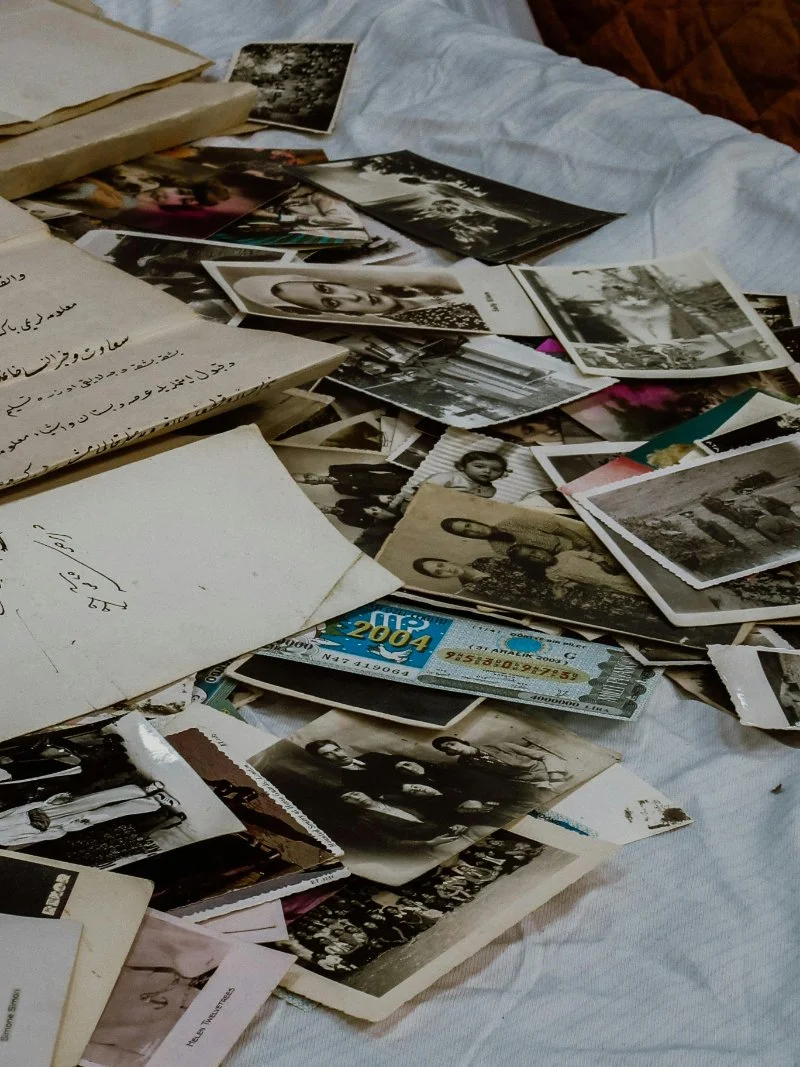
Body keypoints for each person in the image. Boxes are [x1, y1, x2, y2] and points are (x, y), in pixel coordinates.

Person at [231, 273, 486, 330]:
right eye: (332, 303)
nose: (351, 296)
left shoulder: (412, 284)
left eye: (325, 288)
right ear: (349, 316)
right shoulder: (421, 323)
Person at [431, 736, 566, 787]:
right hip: (528, 784)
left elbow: (545, 756)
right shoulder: (465, 764)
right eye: (446, 749)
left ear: (461, 741)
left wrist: (555, 776)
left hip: (548, 772)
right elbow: (496, 781)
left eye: (451, 743)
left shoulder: (500, 745)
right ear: (449, 753)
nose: (450, 748)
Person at [339, 791, 466, 843]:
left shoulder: (394, 800)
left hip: (454, 829)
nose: (355, 797)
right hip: (433, 844)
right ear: (348, 804)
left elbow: (434, 811)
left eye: (355, 793)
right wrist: (429, 844)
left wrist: (457, 822)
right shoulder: (365, 819)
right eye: (348, 798)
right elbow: (391, 842)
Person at [439, 516, 593, 555]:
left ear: (473, 521)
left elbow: (557, 528)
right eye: (466, 532)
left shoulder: (511, 522)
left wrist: (581, 542)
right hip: (564, 558)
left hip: (573, 538)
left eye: (468, 525)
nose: (473, 531)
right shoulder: (498, 548)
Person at [422, 451, 509, 498]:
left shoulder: (490, 490)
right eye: (479, 466)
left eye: (495, 470)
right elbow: (422, 491)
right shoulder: (447, 478)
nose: (487, 471)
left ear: (502, 474)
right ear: (462, 466)